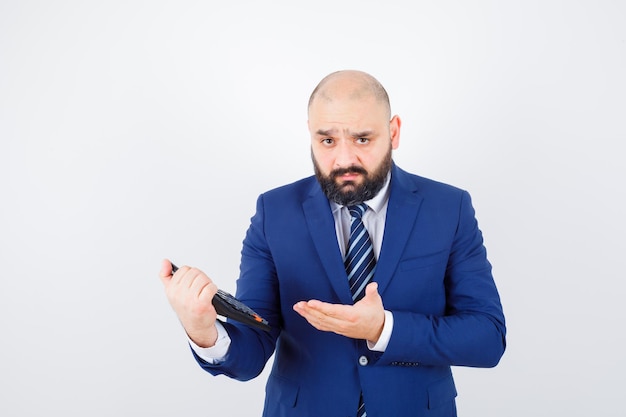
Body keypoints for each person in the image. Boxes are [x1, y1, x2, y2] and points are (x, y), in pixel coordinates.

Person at [160, 69, 506, 417]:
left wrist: (385, 328)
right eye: (327, 141)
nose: (344, 160)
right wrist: (203, 328)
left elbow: (487, 338)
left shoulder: (449, 208)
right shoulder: (274, 213)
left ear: (393, 131)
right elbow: (253, 349)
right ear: (310, 134)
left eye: (362, 139)